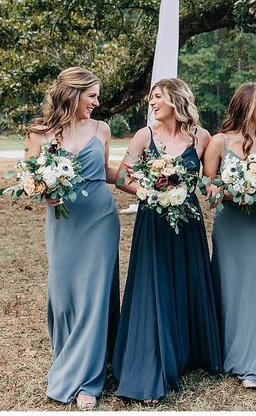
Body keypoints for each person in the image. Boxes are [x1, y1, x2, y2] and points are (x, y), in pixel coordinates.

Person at [111, 78, 222, 403]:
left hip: (188, 223)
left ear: (176, 99)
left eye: (157, 97)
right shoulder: (145, 136)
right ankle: (150, 366)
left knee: (185, 283)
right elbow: (121, 176)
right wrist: (149, 190)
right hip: (153, 222)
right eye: (151, 98)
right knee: (154, 287)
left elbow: (205, 182)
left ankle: (188, 353)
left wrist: (211, 189)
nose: (152, 103)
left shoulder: (200, 137)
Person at [25, 67, 120, 411]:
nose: (97, 102)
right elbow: (31, 180)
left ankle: (89, 381)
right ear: (72, 94)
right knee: (63, 295)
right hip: (63, 222)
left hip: (99, 219)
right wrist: (43, 193)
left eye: (97, 95)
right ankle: (68, 358)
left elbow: (107, 171)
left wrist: (153, 183)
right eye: (91, 95)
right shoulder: (39, 133)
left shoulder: (101, 129)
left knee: (93, 297)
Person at [202, 82, 256, 389]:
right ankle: (224, 355)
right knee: (228, 286)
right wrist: (231, 193)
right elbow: (207, 187)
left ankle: (252, 363)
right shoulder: (219, 141)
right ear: (248, 106)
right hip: (230, 224)